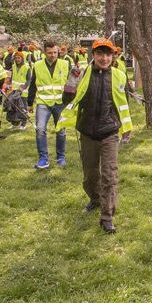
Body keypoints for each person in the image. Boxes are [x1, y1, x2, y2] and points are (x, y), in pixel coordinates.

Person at [57, 38, 133, 234]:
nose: (104, 58)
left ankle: (107, 216)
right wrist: (71, 81)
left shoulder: (119, 75)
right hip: (87, 131)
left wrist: (125, 126)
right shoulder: (81, 73)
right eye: (100, 54)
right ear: (93, 55)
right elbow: (67, 99)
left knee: (109, 174)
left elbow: (123, 103)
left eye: (108, 54)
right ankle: (95, 198)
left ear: (113, 56)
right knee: (90, 175)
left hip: (109, 132)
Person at [27, 41, 69, 169]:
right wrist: (30, 103)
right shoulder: (37, 65)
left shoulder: (65, 64)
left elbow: (71, 83)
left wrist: (71, 101)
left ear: (58, 52)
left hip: (60, 103)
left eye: (55, 52)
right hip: (43, 103)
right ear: (45, 52)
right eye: (50, 52)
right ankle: (43, 159)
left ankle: (60, 157)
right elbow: (33, 84)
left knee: (61, 131)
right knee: (40, 130)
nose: (52, 55)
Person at [10, 51, 31, 130]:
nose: (17, 59)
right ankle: (15, 123)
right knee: (13, 107)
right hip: (14, 90)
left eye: (19, 58)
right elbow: (12, 77)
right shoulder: (13, 66)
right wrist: (9, 85)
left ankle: (23, 123)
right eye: (16, 58)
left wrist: (22, 89)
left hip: (23, 91)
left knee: (22, 108)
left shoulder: (27, 67)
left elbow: (29, 80)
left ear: (22, 58)